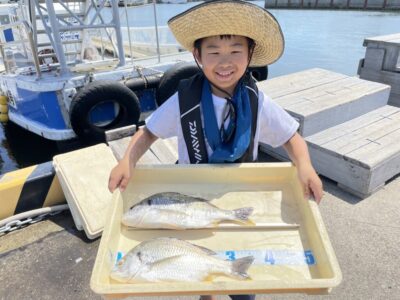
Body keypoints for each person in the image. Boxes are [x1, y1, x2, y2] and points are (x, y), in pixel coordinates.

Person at [109, 1, 323, 299]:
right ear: (197, 55)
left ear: (250, 55)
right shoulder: (182, 101)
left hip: (239, 191)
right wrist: (127, 162)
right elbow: (148, 133)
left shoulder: (257, 101)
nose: (225, 62)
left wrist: (305, 166)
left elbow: (292, 137)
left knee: (241, 280)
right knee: (197, 265)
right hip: (187, 196)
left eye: (236, 51)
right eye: (213, 52)